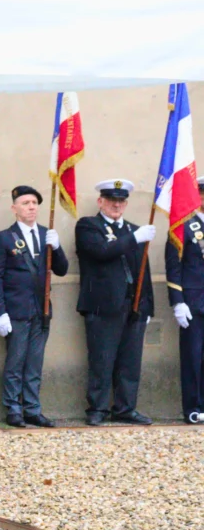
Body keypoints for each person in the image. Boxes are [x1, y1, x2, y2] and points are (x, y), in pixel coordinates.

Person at [0, 185, 70, 427]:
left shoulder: (46, 234)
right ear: (14, 208)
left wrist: (57, 247)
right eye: (26, 203)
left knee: (34, 363)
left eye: (34, 203)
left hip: (41, 310)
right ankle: (13, 408)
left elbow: (62, 270)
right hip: (15, 311)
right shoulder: (4, 237)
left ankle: (32, 408)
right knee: (15, 362)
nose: (31, 207)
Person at [75, 179, 156, 426]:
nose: (116, 205)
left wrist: (148, 305)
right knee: (102, 359)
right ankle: (97, 409)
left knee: (130, 362)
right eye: (111, 200)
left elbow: (144, 270)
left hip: (133, 305)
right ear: (101, 201)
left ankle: (125, 408)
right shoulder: (89, 226)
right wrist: (135, 238)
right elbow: (101, 252)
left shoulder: (132, 229)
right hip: (103, 305)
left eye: (121, 201)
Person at [165, 176, 204, 424]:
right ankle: (193, 406)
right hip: (194, 301)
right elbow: (174, 267)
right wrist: (177, 301)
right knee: (193, 357)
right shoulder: (183, 226)